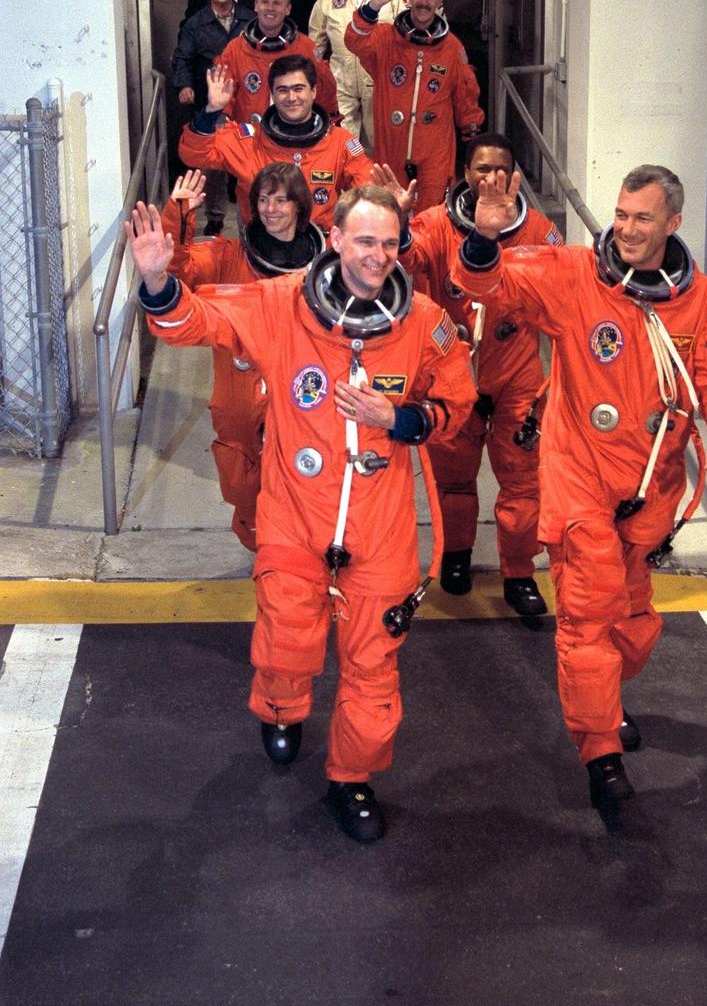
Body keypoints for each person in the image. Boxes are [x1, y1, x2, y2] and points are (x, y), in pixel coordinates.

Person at [126, 184, 477, 843]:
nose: (377, 256)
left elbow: (455, 411)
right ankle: (283, 709)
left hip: (379, 528)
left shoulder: (425, 322)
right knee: (287, 641)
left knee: (374, 672)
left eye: (388, 243)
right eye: (364, 241)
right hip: (293, 514)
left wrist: (397, 417)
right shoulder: (281, 304)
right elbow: (196, 323)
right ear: (337, 239)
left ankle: (352, 778)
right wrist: (155, 282)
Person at [452, 163, 707, 822]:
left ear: (672, 223)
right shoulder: (571, 277)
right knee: (586, 620)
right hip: (579, 480)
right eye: (619, 215)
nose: (625, 229)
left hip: (651, 485)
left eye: (641, 218)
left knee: (632, 623)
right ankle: (599, 756)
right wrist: (483, 237)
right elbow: (489, 285)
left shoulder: (697, 298)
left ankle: (605, 704)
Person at [373, 132, 562, 619]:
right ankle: (456, 556)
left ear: (514, 175)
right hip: (452, 374)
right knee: (453, 481)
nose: (490, 177)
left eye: (500, 169)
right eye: (481, 169)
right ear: (463, 174)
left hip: (515, 373)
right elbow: (407, 257)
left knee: (522, 484)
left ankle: (518, 572)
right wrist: (398, 218)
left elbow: (564, 297)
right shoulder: (437, 224)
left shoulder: (540, 231)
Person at [160, 165, 324, 550]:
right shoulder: (228, 255)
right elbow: (180, 269)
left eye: (281, 200)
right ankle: (260, 550)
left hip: (300, 392)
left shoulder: (324, 262)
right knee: (243, 482)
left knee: (305, 477)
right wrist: (179, 217)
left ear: (300, 206)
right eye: (263, 200)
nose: (270, 209)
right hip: (239, 395)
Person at [345, 0, 484, 213]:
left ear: (440, 1)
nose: (424, 2)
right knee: (387, 213)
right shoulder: (386, 38)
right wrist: (373, 6)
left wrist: (472, 142)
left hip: (434, 151)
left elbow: (466, 96)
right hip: (391, 148)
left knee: (433, 217)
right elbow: (354, 41)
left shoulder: (452, 48)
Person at [179, 55, 371, 231]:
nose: (291, 97)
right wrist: (212, 111)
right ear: (272, 95)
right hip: (260, 250)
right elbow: (194, 153)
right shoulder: (249, 141)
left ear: (313, 91)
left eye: (298, 88)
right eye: (282, 90)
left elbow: (368, 192)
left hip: (319, 249)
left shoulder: (340, 142)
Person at [171, 0, 254, 235]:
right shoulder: (196, 23)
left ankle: (254, 214)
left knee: (251, 159)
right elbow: (182, 58)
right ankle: (216, 216)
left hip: (247, 101)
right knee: (213, 164)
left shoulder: (250, 19)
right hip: (213, 102)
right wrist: (184, 85)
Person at [308, 0, 405, 149]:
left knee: (379, 138)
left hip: (379, 73)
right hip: (340, 74)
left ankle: (375, 183)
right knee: (341, 139)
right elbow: (316, 34)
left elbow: (404, 33)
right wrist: (316, 69)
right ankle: (347, 183)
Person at [215, 0, 338, 125]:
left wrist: (329, 122)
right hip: (250, 137)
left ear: (288, 9)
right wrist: (222, 119)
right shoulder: (235, 50)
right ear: (256, 5)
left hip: (297, 135)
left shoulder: (305, 47)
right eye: (265, 2)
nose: (270, 8)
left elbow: (325, 91)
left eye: (277, 3)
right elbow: (223, 96)